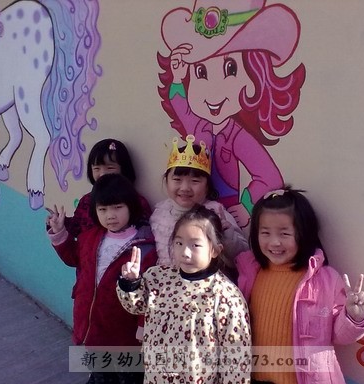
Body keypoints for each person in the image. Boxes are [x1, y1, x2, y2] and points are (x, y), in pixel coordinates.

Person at [158, 0, 306, 228]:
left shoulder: (237, 136)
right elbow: (181, 107)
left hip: (223, 216)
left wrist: (246, 205)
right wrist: (177, 78)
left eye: (230, 69)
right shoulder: (199, 127)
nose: (213, 90)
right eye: (201, 72)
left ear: (254, 77)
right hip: (193, 213)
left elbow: (270, 177)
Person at [236, 187, 364, 384]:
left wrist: (354, 316)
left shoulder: (325, 279)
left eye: (284, 234)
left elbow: (339, 335)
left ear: (304, 233)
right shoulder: (250, 270)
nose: (274, 242)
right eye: (265, 233)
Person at [118, 206, 251, 384]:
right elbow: (136, 306)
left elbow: (235, 350)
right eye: (179, 243)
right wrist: (131, 284)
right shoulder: (158, 277)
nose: (185, 252)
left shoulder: (225, 295)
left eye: (195, 245)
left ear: (215, 250)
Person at [48, 173, 157, 384]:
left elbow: (149, 295)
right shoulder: (90, 237)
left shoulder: (145, 247)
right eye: (103, 209)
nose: (110, 215)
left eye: (118, 207)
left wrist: (142, 326)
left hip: (125, 334)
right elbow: (73, 258)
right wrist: (60, 235)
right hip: (92, 330)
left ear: (131, 207)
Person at [150, 135, 248, 272]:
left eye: (195, 181)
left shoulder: (215, 213)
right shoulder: (160, 212)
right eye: (177, 179)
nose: (185, 188)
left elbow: (243, 256)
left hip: (203, 282)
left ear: (207, 186)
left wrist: (226, 233)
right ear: (166, 181)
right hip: (166, 282)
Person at [61, 138, 152, 238]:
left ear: (124, 169)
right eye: (96, 168)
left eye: (110, 168)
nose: (102, 174)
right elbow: (76, 229)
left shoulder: (136, 200)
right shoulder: (87, 201)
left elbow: (145, 234)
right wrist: (60, 224)